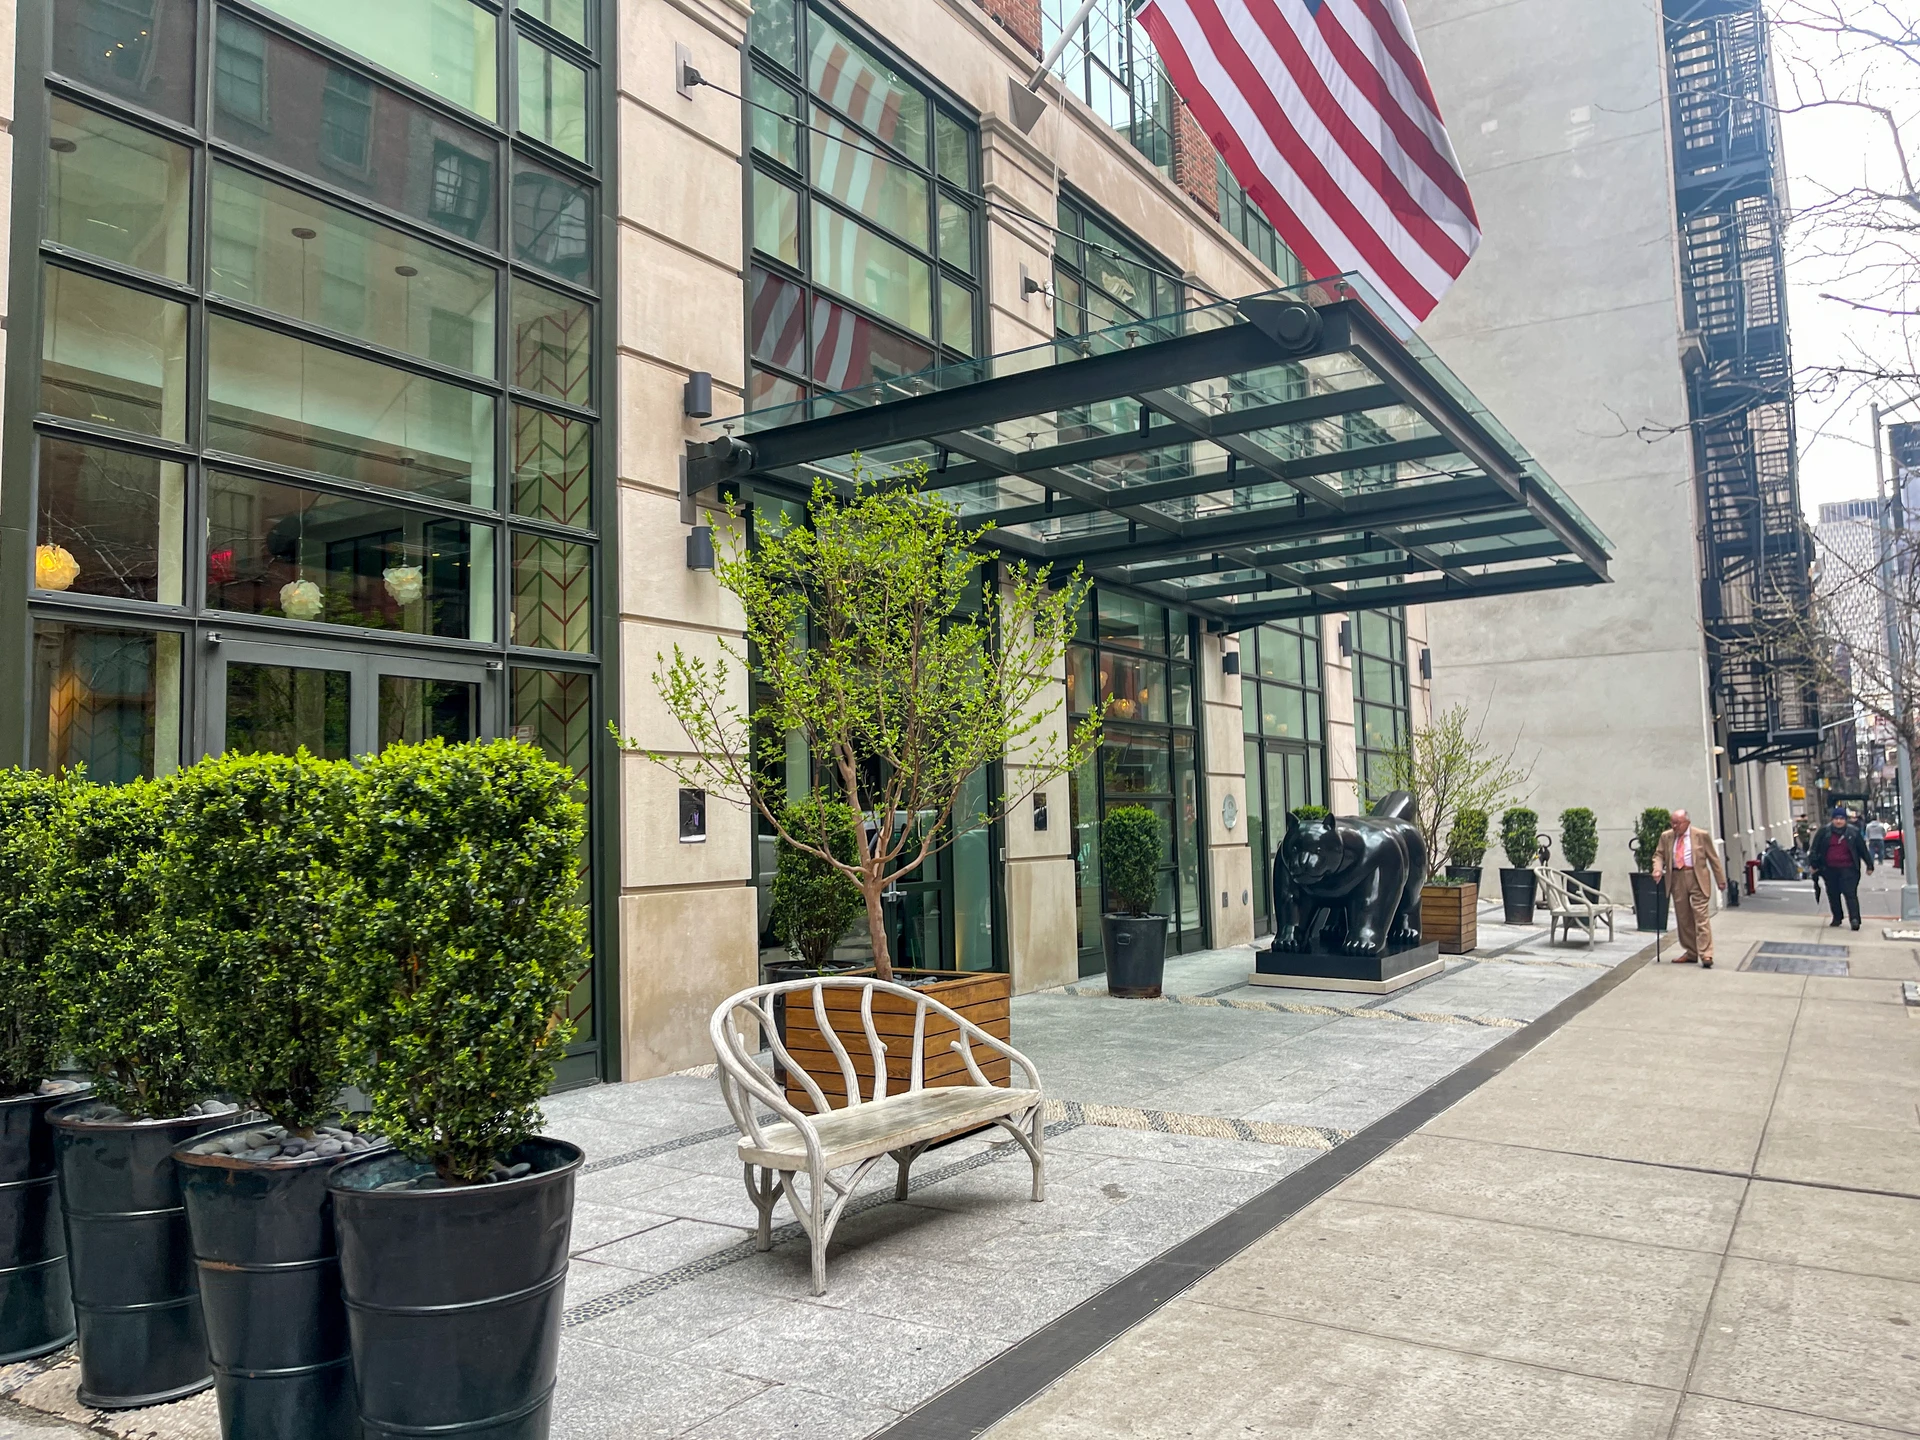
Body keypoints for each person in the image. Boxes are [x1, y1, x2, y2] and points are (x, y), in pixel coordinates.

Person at [1651, 809, 1727, 967]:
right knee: (1683, 917)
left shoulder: (1700, 835)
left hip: (1696, 877)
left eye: (1677, 823)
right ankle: (1691, 952)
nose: (1674, 826)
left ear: (1687, 822)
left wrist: (1720, 879)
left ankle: (1706, 954)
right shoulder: (1667, 837)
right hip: (1677, 878)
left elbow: (1713, 858)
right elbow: (1658, 855)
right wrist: (1657, 869)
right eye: (1672, 823)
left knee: (1701, 916)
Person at [1814, 805, 1874, 930]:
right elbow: (1815, 849)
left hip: (1849, 868)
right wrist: (1814, 865)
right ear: (1832, 819)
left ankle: (1854, 919)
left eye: (1841, 818)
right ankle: (1837, 917)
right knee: (1833, 894)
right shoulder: (1824, 832)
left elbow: (1862, 850)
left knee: (1850, 894)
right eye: (1836, 818)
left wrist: (1869, 865)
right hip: (1829, 869)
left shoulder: (1853, 832)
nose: (1838, 821)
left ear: (1845, 820)